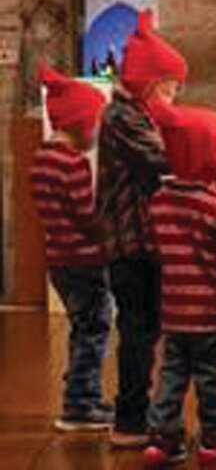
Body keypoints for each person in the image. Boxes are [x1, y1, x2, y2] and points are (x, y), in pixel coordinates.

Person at [143, 100, 216, 465]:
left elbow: (153, 246)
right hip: (212, 313)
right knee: (212, 378)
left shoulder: (159, 200)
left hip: (174, 312)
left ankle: (163, 438)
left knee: (172, 375)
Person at [96, 10, 186, 448]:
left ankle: (139, 410)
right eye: (170, 88)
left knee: (146, 327)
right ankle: (129, 419)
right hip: (128, 241)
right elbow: (161, 158)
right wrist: (207, 146)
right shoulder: (121, 117)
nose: (174, 97)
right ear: (150, 84)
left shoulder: (137, 113)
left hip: (142, 240)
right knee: (137, 329)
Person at [31, 65, 113, 432]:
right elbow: (85, 216)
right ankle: (80, 404)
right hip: (84, 260)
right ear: (81, 123)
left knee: (82, 327)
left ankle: (81, 396)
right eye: (95, 123)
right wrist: (108, 236)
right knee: (95, 328)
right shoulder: (73, 164)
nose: (97, 131)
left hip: (59, 261)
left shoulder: (41, 160)